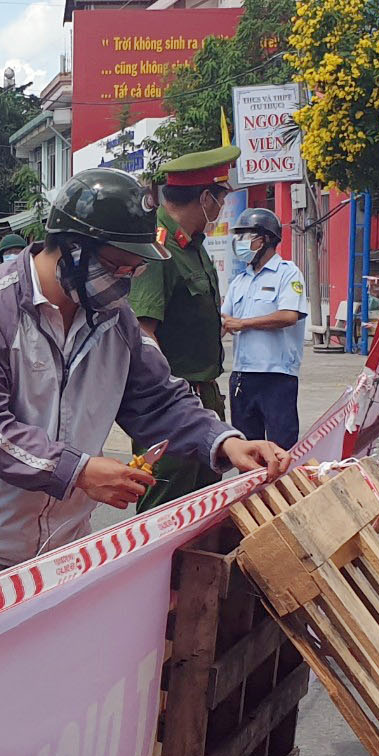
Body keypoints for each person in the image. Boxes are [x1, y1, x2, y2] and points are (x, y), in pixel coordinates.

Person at [0, 166, 290, 603]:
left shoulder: (115, 320)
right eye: (116, 265)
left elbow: (160, 398)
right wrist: (78, 472)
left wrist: (225, 441)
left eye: (134, 269)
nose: (125, 280)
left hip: (62, 546)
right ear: (72, 249)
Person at [127, 164, 230, 507]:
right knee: (165, 515)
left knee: (206, 512)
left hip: (205, 398)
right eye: (220, 199)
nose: (221, 209)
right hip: (173, 409)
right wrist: (172, 401)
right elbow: (143, 334)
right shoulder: (158, 248)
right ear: (204, 198)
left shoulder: (193, 245)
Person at [221, 207, 306, 449]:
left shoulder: (287, 274)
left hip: (276, 376)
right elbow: (225, 320)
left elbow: (289, 315)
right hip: (242, 376)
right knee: (247, 450)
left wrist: (243, 323)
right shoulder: (240, 281)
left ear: (266, 239)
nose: (240, 242)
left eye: (247, 236)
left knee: (281, 450)